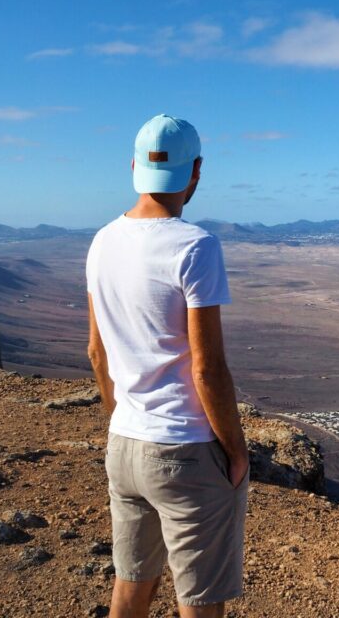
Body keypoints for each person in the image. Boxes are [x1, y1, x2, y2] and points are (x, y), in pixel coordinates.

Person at [86, 114, 249, 618]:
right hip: (185, 452)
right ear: (195, 171)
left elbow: (97, 353)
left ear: (133, 165)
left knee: (131, 589)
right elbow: (208, 368)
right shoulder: (195, 246)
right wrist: (237, 453)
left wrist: (121, 420)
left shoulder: (102, 242)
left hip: (125, 447)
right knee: (200, 602)